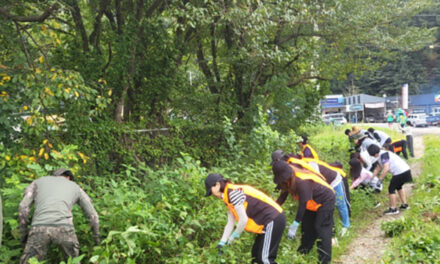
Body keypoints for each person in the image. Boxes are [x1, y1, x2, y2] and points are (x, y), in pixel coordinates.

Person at [19, 168, 100, 264]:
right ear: (68, 177)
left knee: (30, 262)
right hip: (65, 228)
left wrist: (24, 234)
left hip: (39, 227)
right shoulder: (75, 187)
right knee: (73, 261)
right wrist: (97, 239)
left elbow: (23, 207)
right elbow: (93, 215)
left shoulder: (37, 182)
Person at [204, 173, 286, 264]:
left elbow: (243, 220)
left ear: (217, 185)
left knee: (265, 259)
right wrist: (222, 242)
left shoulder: (233, 194)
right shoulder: (228, 196)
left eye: (211, 191)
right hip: (266, 222)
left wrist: (234, 236)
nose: (212, 194)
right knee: (255, 257)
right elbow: (230, 223)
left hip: (273, 219)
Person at [272, 160, 335, 264]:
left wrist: (296, 223)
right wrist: (274, 209)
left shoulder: (302, 181)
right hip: (311, 203)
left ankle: (324, 260)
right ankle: (302, 254)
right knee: (307, 228)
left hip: (325, 200)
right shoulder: (286, 180)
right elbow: (282, 196)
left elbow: (303, 204)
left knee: (321, 229)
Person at [367, 145, 412, 215]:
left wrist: (380, 179)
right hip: (405, 170)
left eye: (372, 155)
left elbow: (386, 168)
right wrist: (371, 178)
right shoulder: (381, 155)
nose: (373, 157)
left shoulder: (384, 155)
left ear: (375, 153)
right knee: (398, 186)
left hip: (400, 172)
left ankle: (393, 209)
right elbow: (378, 168)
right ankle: (404, 205)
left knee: (391, 189)